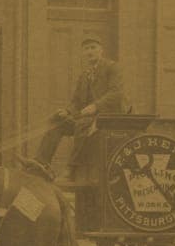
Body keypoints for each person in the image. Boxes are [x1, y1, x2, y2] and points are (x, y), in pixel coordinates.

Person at [31, 34, 130, 179]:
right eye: (86, 49)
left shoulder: (112, 68)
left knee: (82, 124)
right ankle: (41, 162)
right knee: (57, 122)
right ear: (83, 53)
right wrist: (67, 111)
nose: (90, 52)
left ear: (101, 50)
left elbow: (116, 93)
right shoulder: (84, 75)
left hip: (111, 117)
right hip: (90, 118)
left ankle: (72, 168)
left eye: (93, 48)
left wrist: (95, 106)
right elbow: (76, 101)